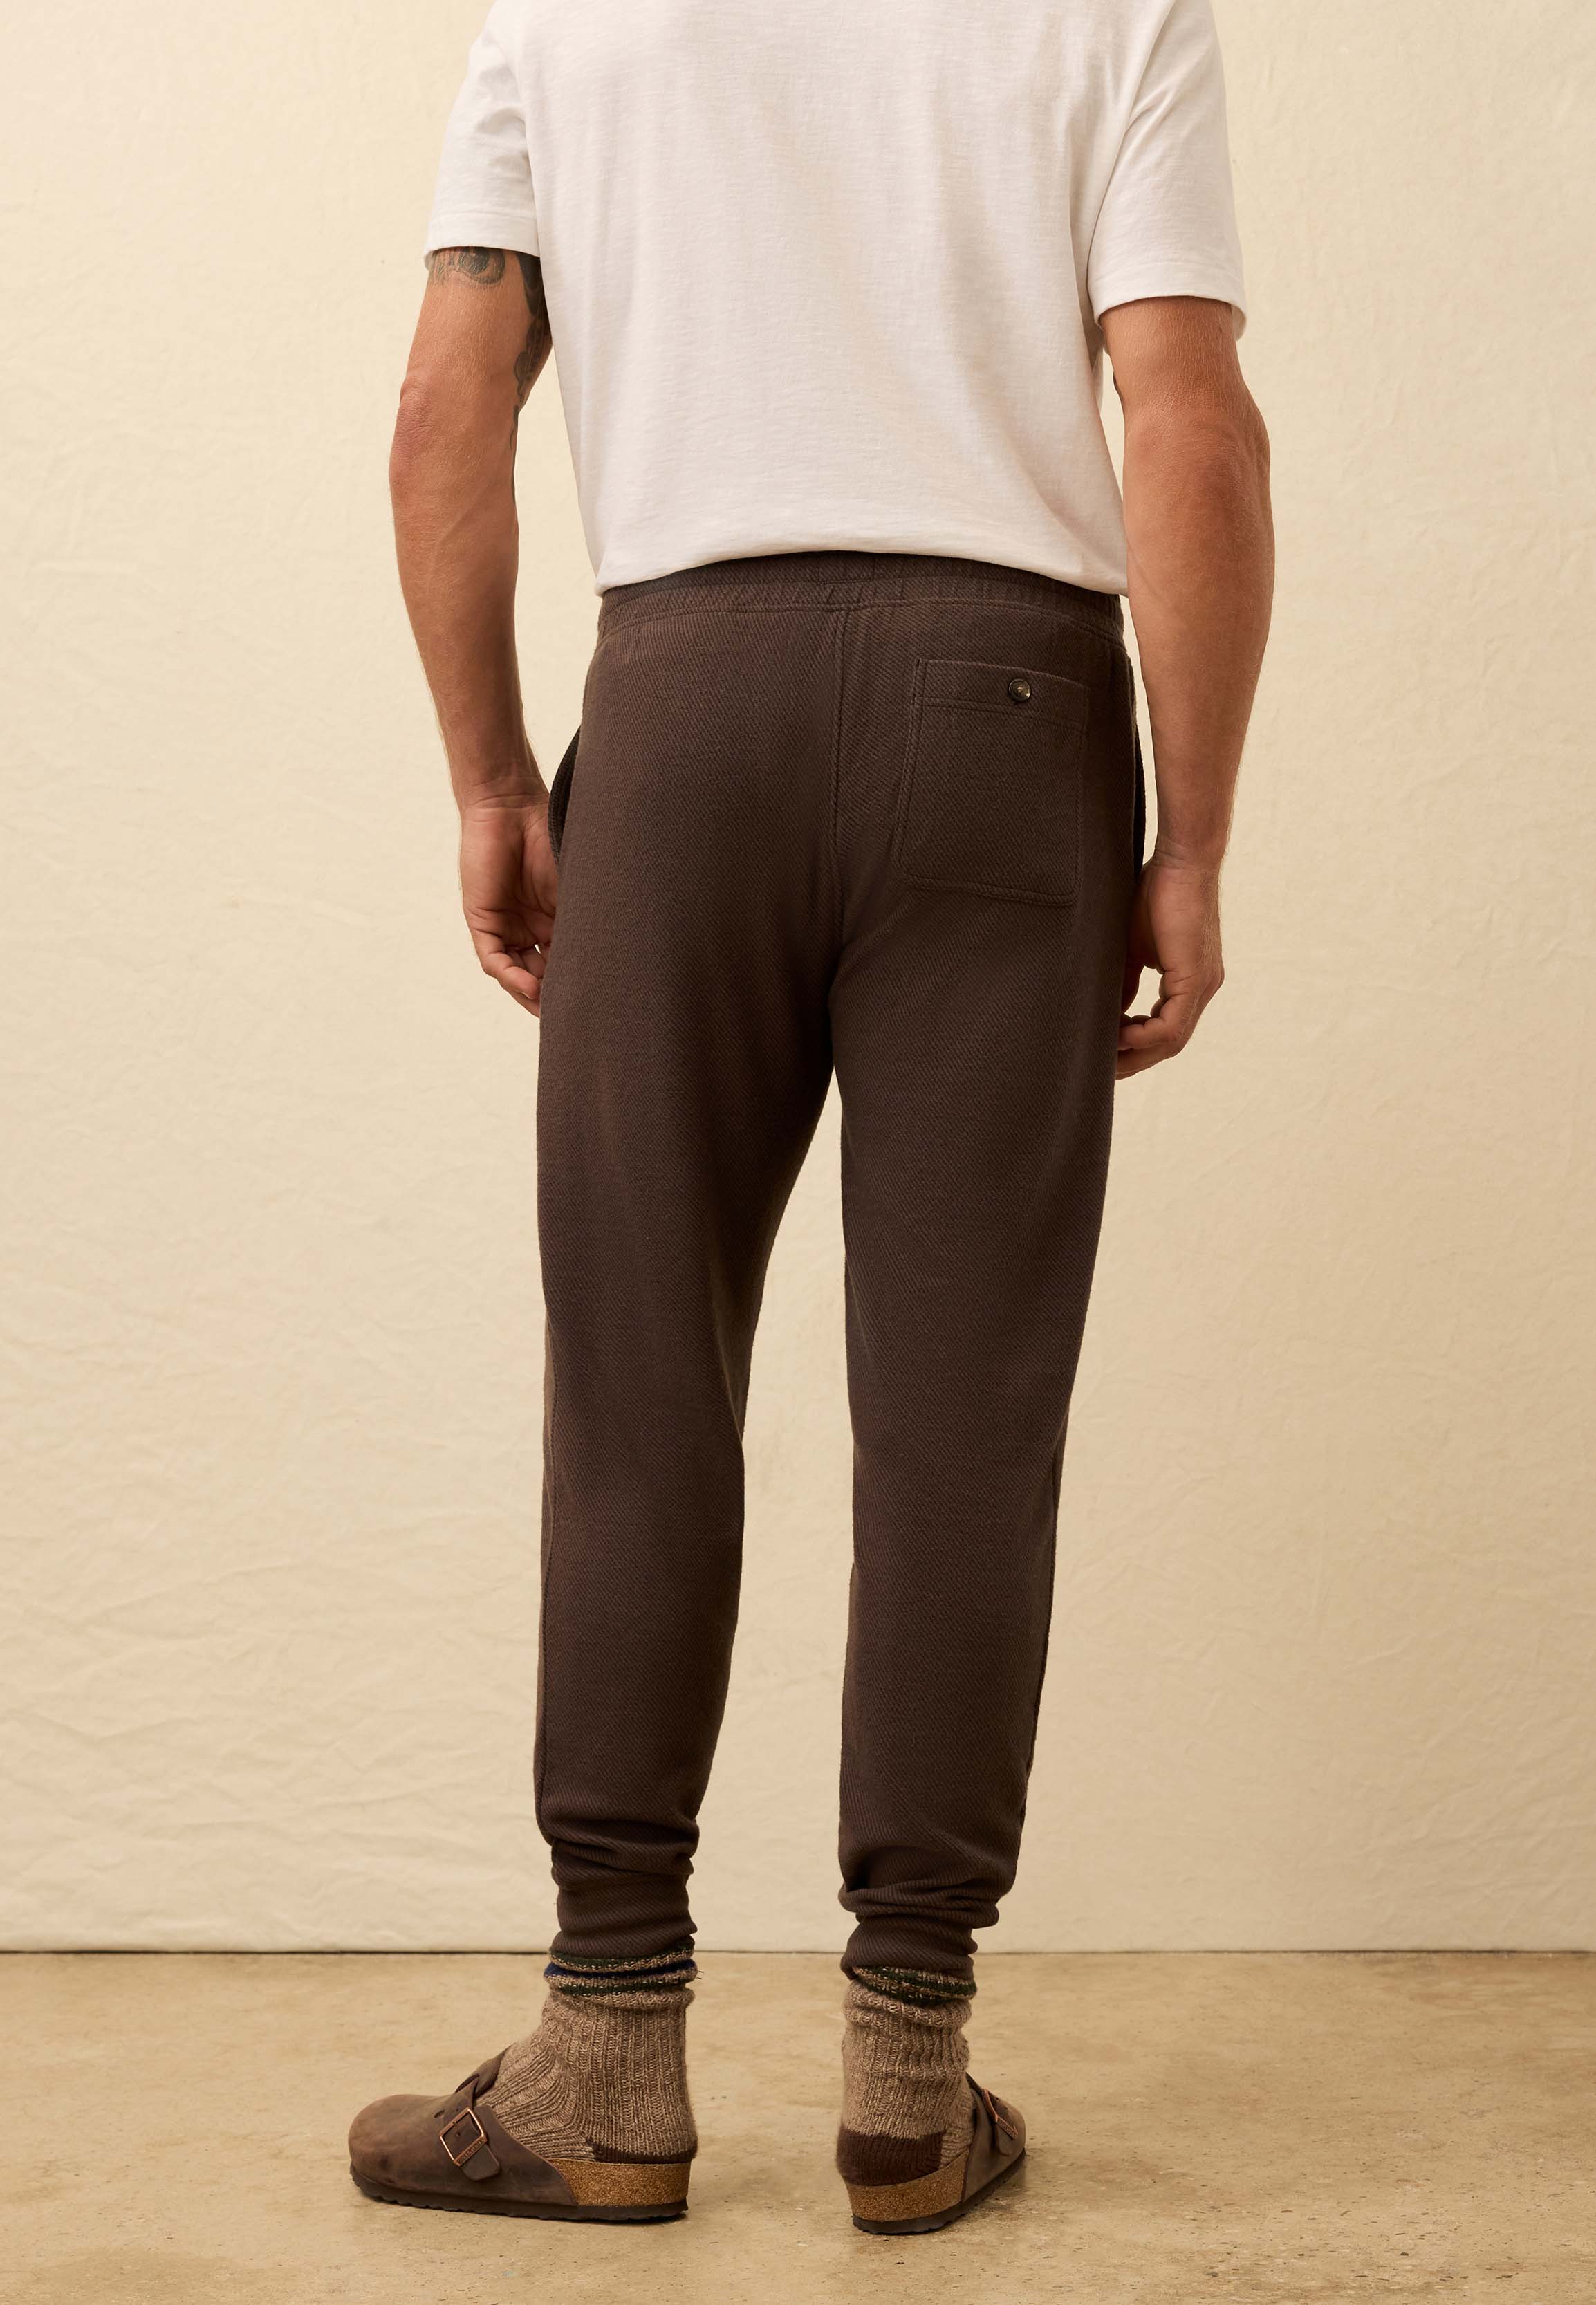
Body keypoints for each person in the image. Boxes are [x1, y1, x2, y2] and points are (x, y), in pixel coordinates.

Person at [348, 0, 1272, 2238]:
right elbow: (1190, 419)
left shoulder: (562, 17)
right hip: (1010, 720)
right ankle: (906, 2067)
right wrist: (1190, 835)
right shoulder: (1112, 8)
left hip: (684, 720)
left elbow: (444, 411)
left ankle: (604, 2051)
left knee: (641, 1391)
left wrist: (494, 772)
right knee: (965, 1414)